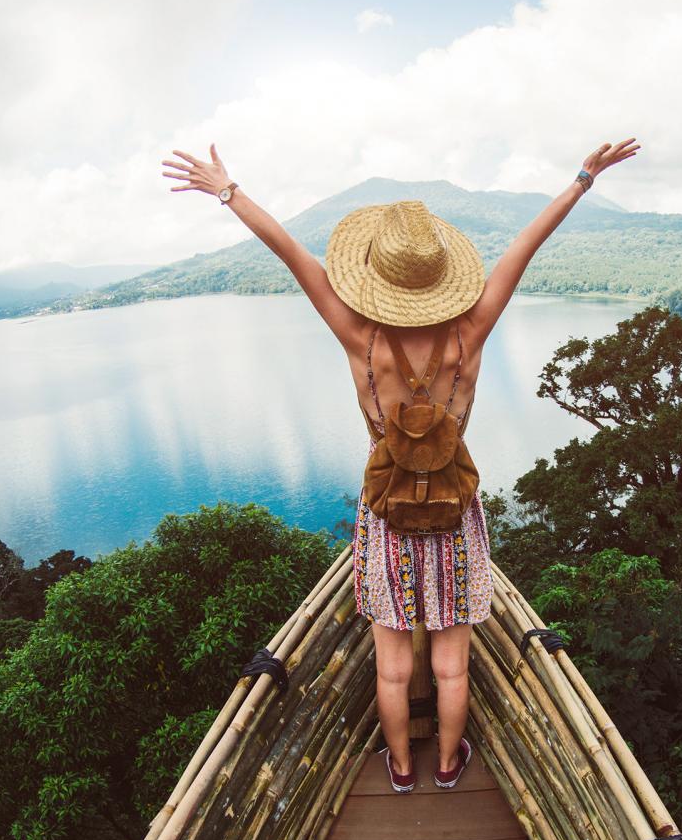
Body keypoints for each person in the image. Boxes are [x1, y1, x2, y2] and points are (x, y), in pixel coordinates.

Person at [161, 137, 640, 793]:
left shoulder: (363, 338)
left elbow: (290, 254)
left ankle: (401, 768)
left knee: (391, 669)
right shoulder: (470, 333)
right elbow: (524, 248)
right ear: (441, 277)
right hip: (453, 515)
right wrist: (581, 179)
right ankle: (448, 765)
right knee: (451, 665)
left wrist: (227, 191)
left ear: (382, 280)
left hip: (386, 515)